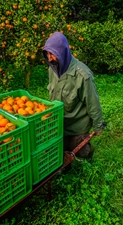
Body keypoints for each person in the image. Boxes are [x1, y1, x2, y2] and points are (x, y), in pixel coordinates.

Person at [42, 31, 104, 162]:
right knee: (60, 156)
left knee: (82, 153)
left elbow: (93, 103)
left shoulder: (82, 75)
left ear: (62, 53)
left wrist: (98, 126)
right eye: (47, 54)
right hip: (58, 124)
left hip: (77, 127)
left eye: (52, 54)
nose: (49, 58)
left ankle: (87, 156)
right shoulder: (52, 70)